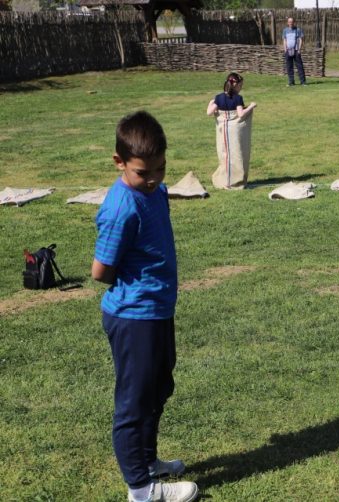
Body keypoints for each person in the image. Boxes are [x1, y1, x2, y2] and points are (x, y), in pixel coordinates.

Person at [92, 111, 198, 502]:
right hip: (133, 316)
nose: (153, 179)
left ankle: (149, 462)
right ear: (119, 162)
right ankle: (140, 489)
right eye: (142, 172)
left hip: (157, 311)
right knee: (134, 402)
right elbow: (100, 271)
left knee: (158, 387)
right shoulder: (122, 208)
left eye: (160, 168)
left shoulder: (157, 191)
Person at [207, 72, 256, 190]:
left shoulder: (218, 98)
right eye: (241, 85)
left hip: (222, 131)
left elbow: (209, 112)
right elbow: (240, 115)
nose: (241, 88)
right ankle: (235, 180)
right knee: (237, 154)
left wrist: (210, 103)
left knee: (224, 154)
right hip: (235, 132)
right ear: (236, 85)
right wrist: (251, 106)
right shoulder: (237, 98)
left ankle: (224, 179)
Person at [282, 17, 306, 86]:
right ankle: (291, 82)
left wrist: (299, 49)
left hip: (296, 51)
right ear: (287, 23)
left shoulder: (298, 30)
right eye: (289, 22)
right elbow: (284, 40)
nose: (291, 23)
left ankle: (303, 82)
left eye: (292, 22)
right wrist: (285, 49)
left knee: (300, 66)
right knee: (289, 67)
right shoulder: (285, 30)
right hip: (288, 51)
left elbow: (301, 39)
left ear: (294, 22)